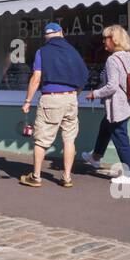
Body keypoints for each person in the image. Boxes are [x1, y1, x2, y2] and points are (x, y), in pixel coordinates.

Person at [18, 22, 88, 188]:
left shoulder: (43, 51)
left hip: (51, 98)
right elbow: (83, 74)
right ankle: (67, 177)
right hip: (71, 99)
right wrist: (75, 93)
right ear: (61, 33)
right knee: (69, 139)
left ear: (46, 36)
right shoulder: (72, 51)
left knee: (41, 140)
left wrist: (28, 100)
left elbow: (36, 78)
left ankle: (35, 177)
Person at [82, 24, 130, 184]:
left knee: (120, 137)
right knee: (105, 127)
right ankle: (96, 156)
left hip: (118, 105)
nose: (103, 42)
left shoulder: (112, 60)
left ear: (114, 40)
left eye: (106, 38)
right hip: (128, 103)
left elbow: (112, 86)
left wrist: (95, 93)